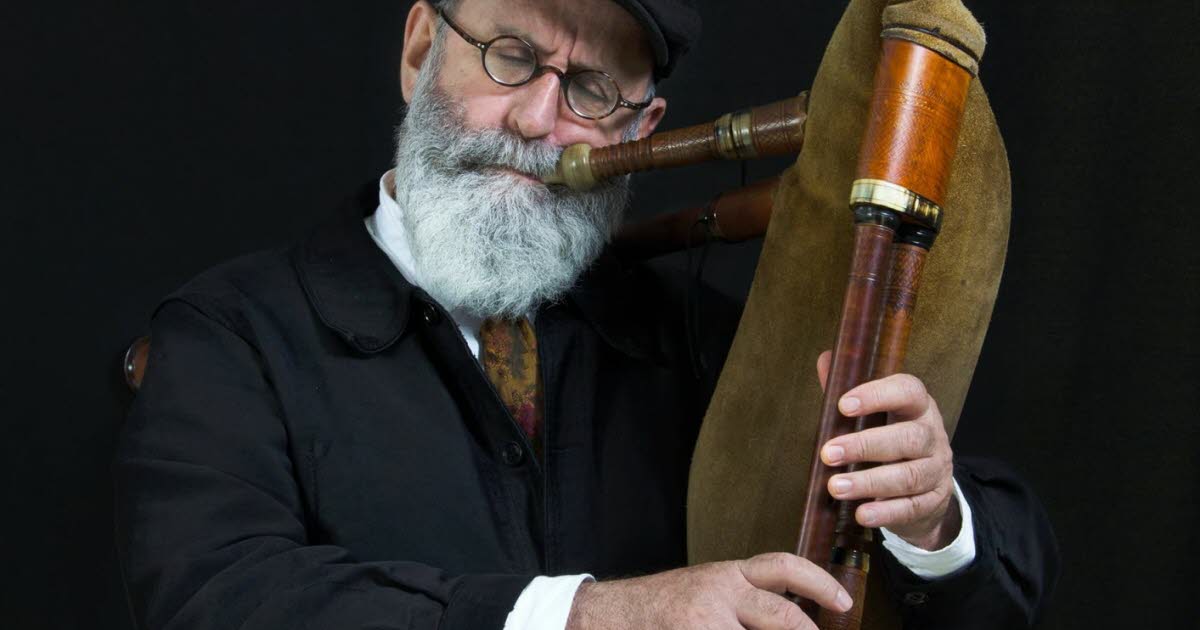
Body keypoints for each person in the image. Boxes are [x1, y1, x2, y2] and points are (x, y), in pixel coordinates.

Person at [114, 1, 1058, 628]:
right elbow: (215, 596)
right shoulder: (231, 334)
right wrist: (590, 616)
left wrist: (932, 519)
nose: (538, 121)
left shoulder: (690, 337)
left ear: (640, 131)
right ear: (419, 52)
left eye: (592, 87)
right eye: (510, 56)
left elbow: (1013, 575)